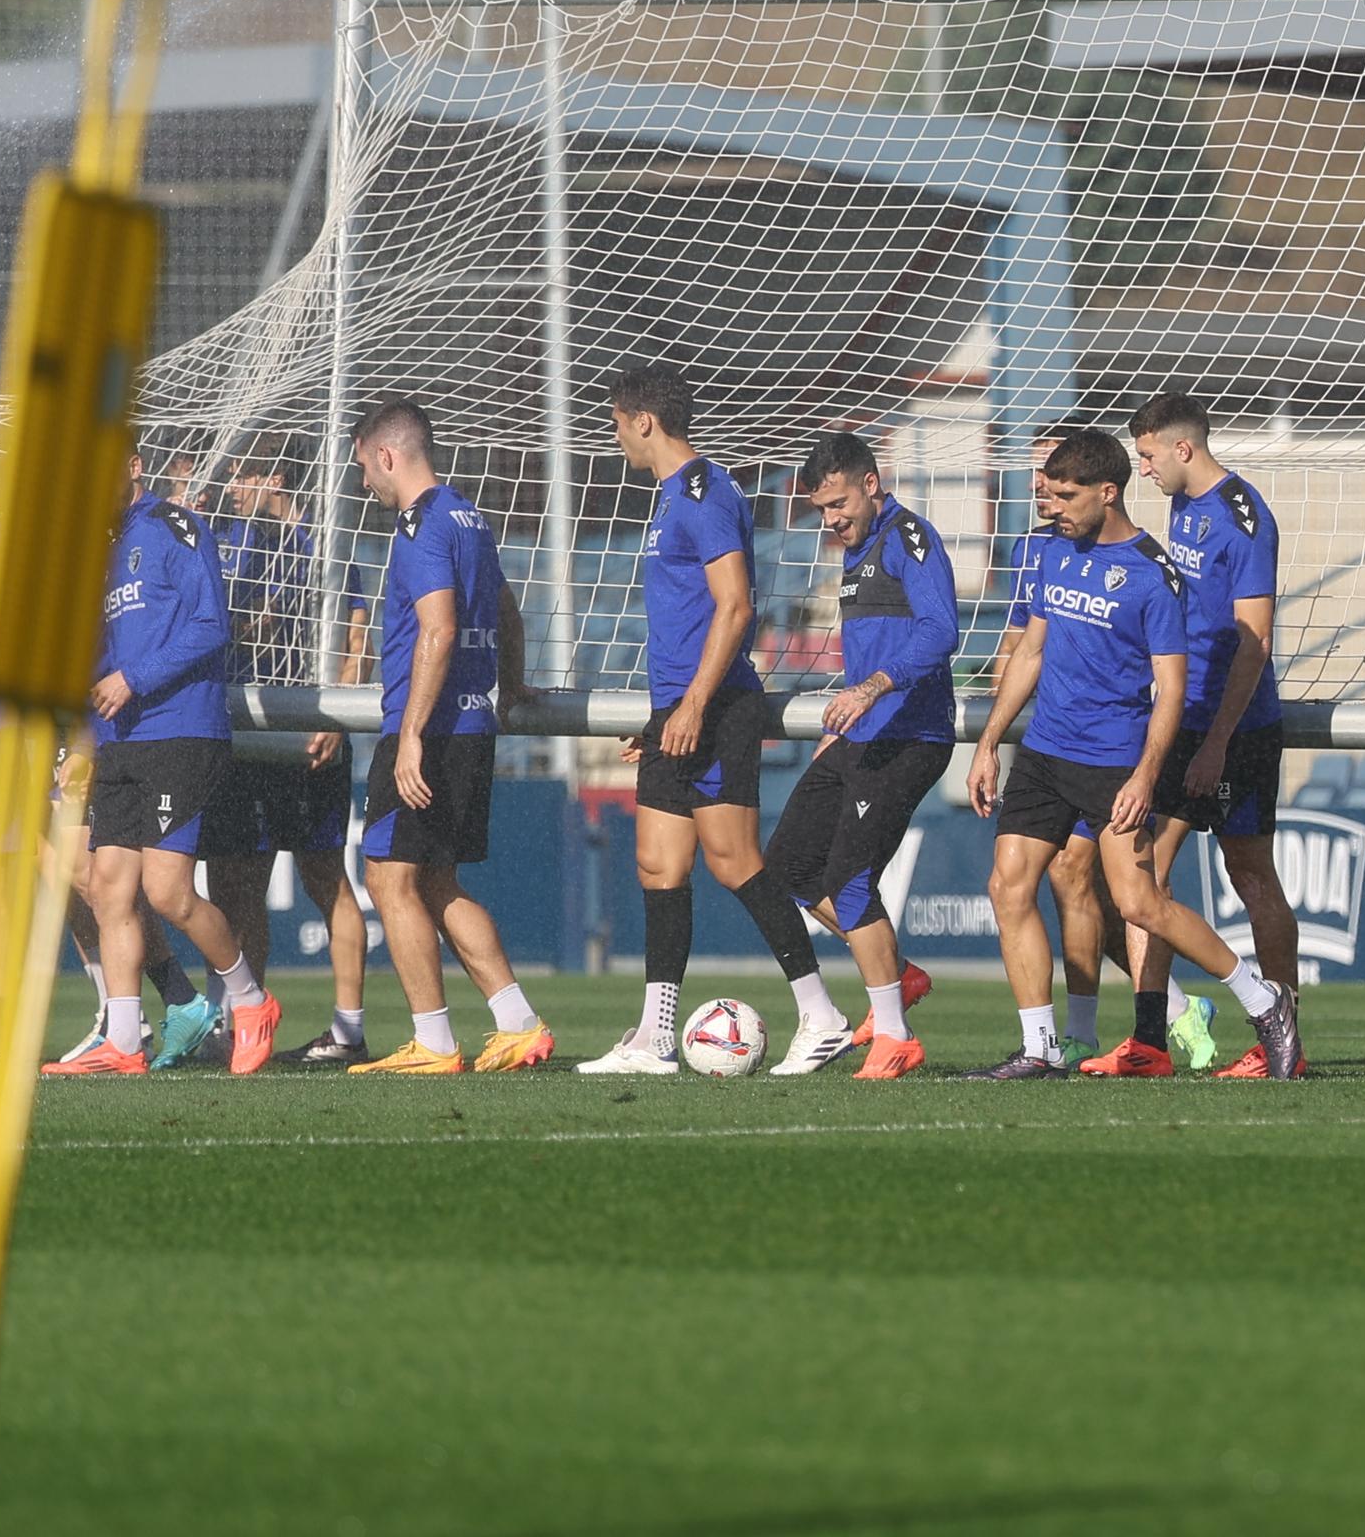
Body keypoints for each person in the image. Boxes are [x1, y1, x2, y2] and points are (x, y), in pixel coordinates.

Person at [962, 430, 1299, 1080]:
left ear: (1106, 492)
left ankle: (1264, 1002)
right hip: (1044, 752)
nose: (1051, 504)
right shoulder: (1053, 554)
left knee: (1140, 903)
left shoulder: (1153, 572)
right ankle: (1041, 1047)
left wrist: (1146, 773)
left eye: (1065, 494)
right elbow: (1030, 651)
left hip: (1113, 758)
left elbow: (1171, 688)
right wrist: (988, 743)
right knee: (1009, 884)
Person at [577, 365, 858, 1077]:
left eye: (617, 422)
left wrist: (697, 702)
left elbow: (735, 606)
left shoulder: (704, 492)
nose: (617, 438)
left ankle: (822, 1013)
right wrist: (667, 711)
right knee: (657, 863)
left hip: (717, 707)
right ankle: (654, 1036)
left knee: (735, 861)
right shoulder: (672, 498)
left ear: (643, 420)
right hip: (678, 708)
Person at [329, 402, 554, 1076]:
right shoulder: (470, 515)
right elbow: (507, 608)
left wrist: (411, 738)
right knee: (434, 881)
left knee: (387, 878)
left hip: (428, 727)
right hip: (472, 723)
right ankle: (519, 1024)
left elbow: (438, 629)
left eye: (364, 464)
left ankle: (434, 1040)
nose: (364, 478)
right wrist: (510, 682)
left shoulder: (421, 523)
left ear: (388, 455)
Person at [41, 452, 282, 1077]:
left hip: (181, 733)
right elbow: (99, 668)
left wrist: (135, 678)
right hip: (120, 740)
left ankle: (253, 1002)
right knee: (110, 891)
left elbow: (211, 626)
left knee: (168, 893)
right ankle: (123, 1040)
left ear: (131, 465)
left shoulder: (174, 527)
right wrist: (86, 745)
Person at [1119, 393, 1301, 1079]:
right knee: (1146, 874)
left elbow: (1254, 638)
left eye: (1147, 456)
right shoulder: (1184, 505)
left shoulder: (1243, 518)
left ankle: (1283, 1032)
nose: (1144, 470)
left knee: (1251, 874)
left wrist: (1219, 738)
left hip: (1236, 726)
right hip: (1182, 713)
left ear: (1182, 448)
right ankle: (1149, 1039)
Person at [774, 433, 956, 1081]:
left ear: (872, 484)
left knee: (850, 877)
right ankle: (896, 977)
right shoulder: (856, 551)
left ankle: (895, 1036)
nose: (832, 520)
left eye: (839, 503)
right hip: (864, 733)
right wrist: (846, 721)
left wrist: (873, 687)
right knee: (790, 864)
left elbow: (942, 630)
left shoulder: (911, 539)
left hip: (911, 735)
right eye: (822, 509)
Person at [206, 447, 372, 1066]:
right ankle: (241, 1018)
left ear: (273, 476)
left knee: (325, 880)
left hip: (308, 736)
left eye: (242, 475)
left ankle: (349, 1030)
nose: (232, 487)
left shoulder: (324, 547)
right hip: (249, 734)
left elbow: (358, 637)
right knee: (235, 879)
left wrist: (337, 711)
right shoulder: (235, 545)